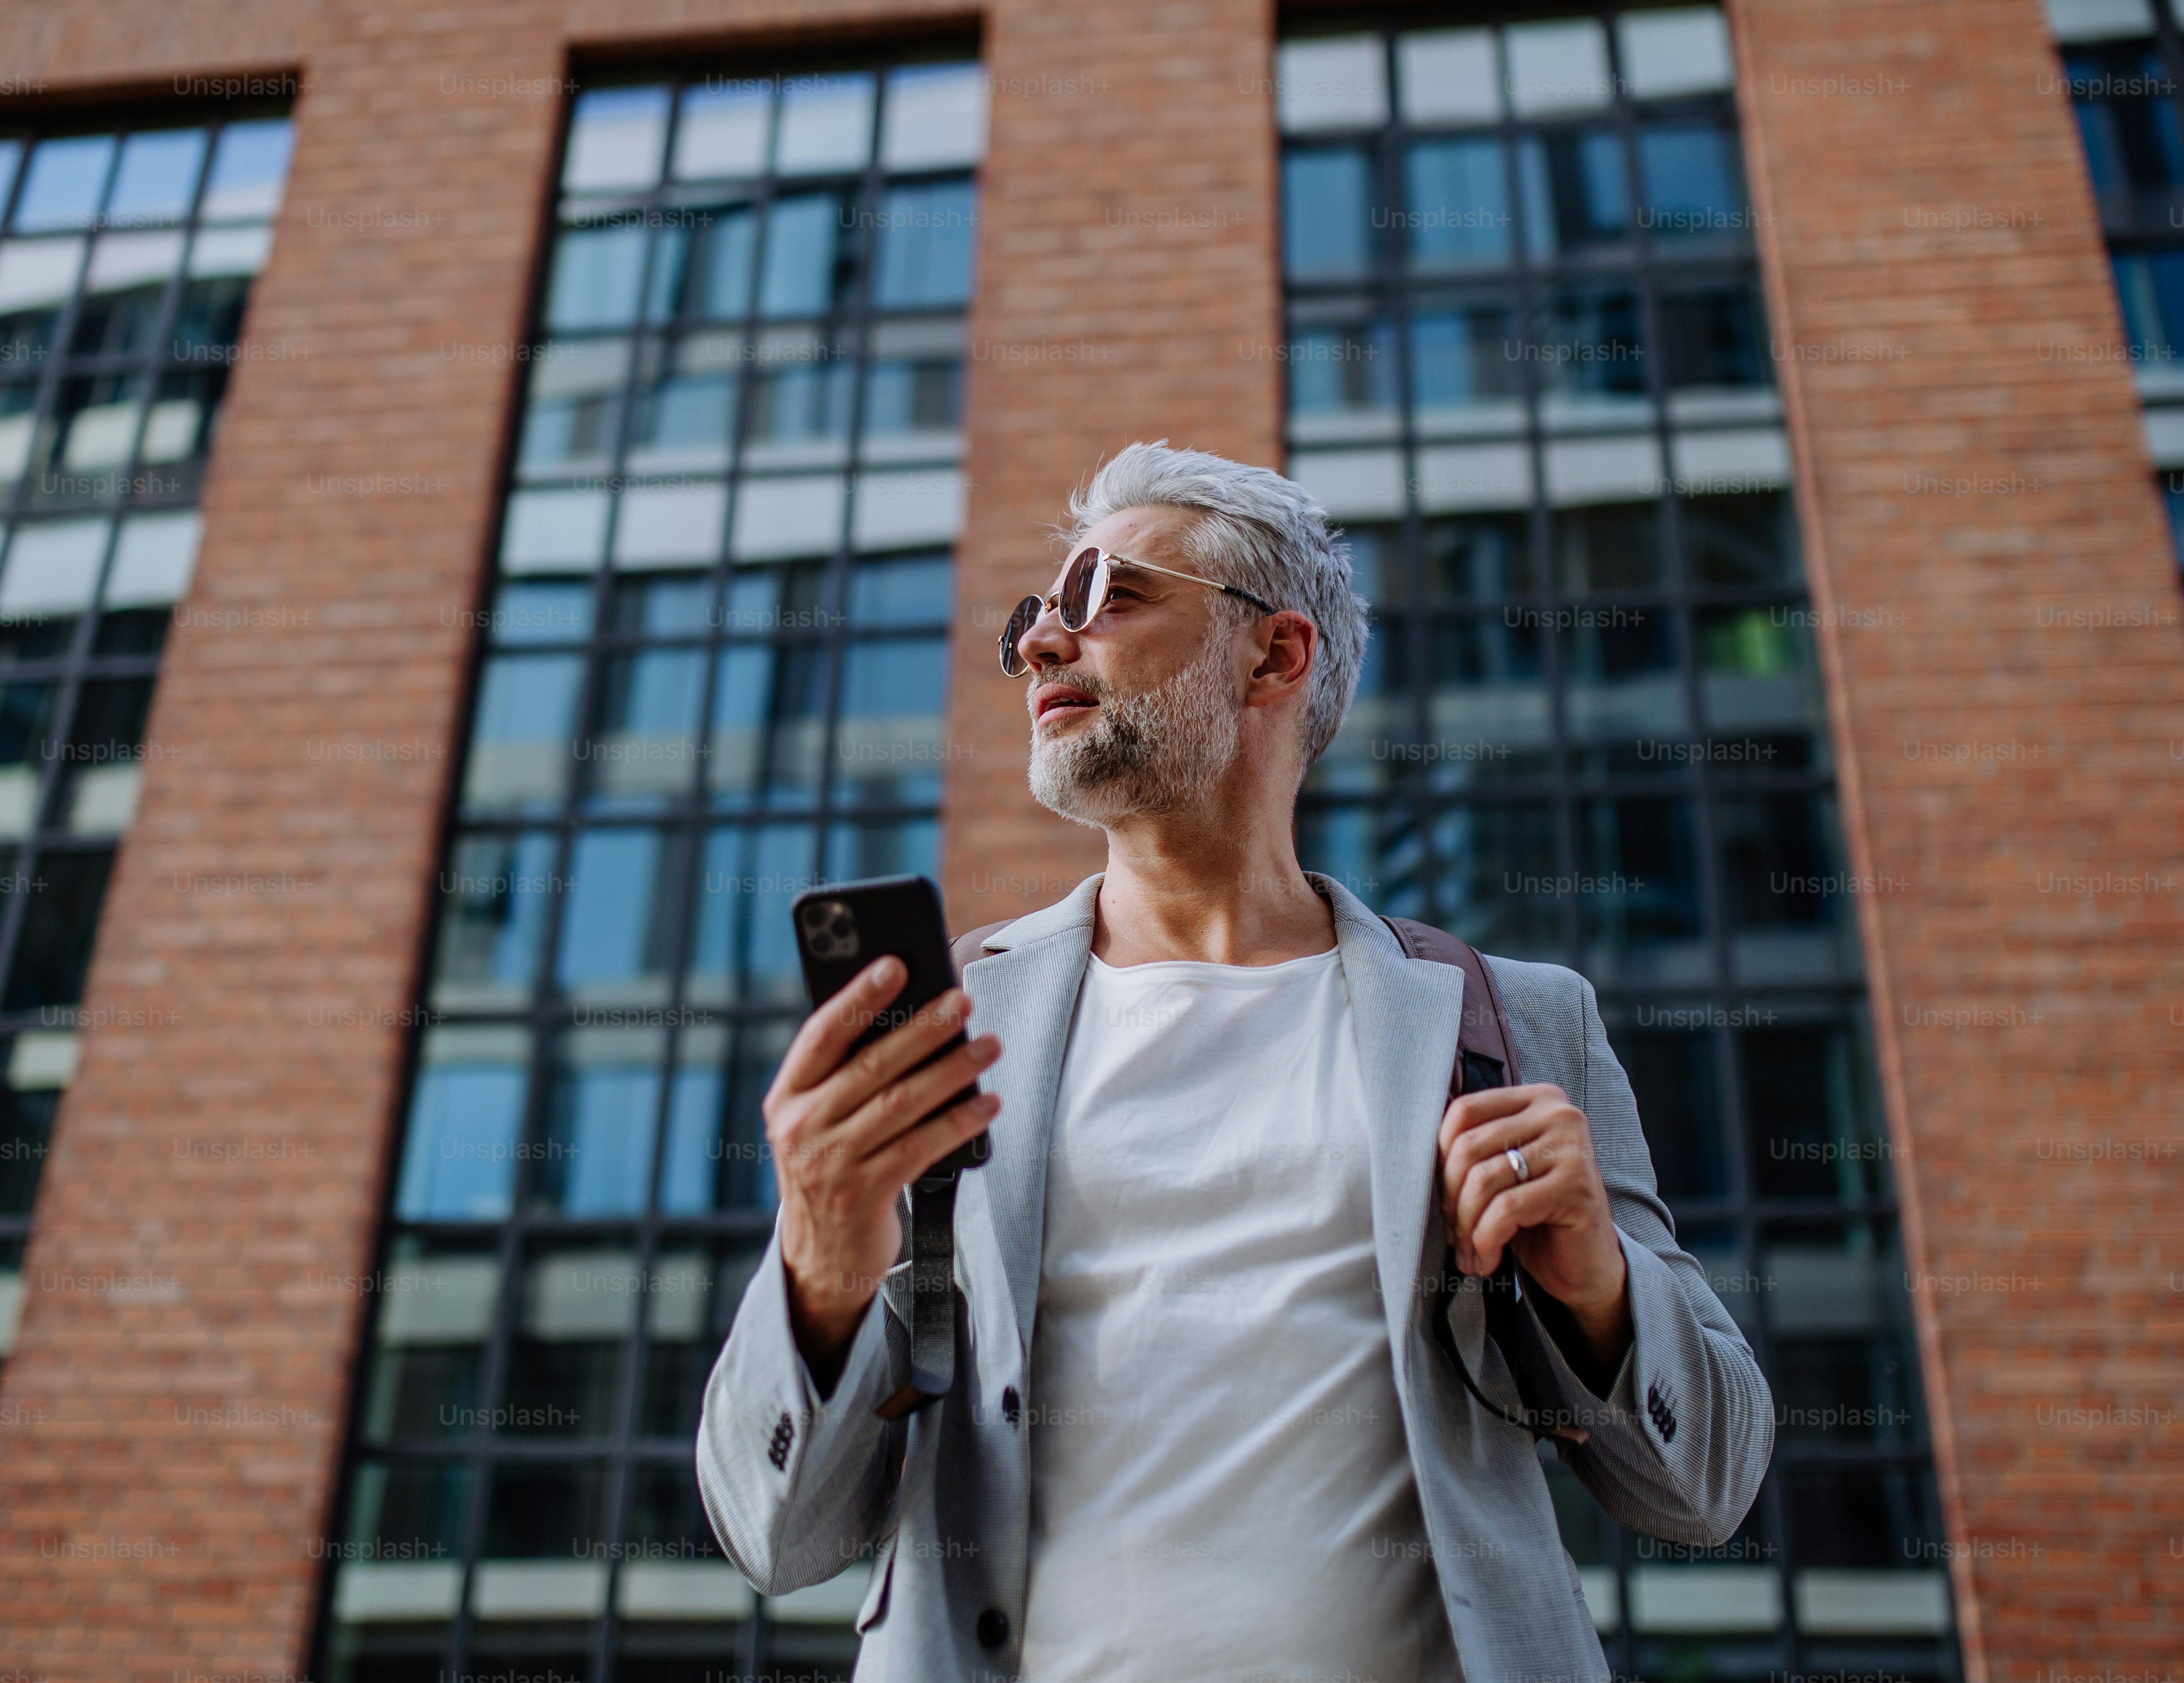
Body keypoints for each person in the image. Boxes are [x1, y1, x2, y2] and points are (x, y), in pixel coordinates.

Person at [697, 442, 1773, 1681]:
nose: (1046, 643)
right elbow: (775, 1536)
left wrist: (1599, 1285)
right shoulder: (942, 1028)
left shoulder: (1514, 1022)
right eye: (1036, 617)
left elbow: (1711, 1485)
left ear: (1275, 653)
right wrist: (822, 1265)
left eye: (1109, 597)